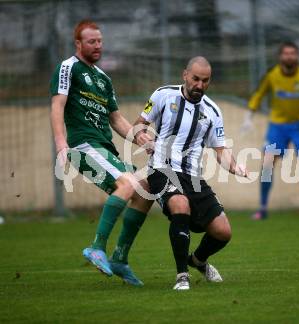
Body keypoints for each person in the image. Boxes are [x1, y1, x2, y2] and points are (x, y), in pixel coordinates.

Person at [50, 20, 153, 286]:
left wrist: (140, 138)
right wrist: (61, 143)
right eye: (92, 41)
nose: (98, 46)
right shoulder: (68, 67)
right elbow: (57, 106)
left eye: (100, 41)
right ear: (78, 44)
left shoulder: (104, 78)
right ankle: (97, 247)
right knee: (128, 183)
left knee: (144, 190)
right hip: (83, 145)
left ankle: (119, 258)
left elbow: (116, 120)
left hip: (104, 148)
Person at [134, 56, 248, 290]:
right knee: (180, 204)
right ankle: (182, 276)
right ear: (185, 75)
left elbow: (220, 150)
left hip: (193, 176)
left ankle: (197, 260)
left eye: (205, 81)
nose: (200, 85)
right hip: (162, 169)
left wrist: (235, 167)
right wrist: (142, 137)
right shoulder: (162, 95)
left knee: (223, 232)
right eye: (195, 79)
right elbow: (139, 124)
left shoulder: (213, 111)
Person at [241, 41, 299, 220]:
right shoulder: (271, 74)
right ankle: (262, 208)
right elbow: (258, 94)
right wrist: (248, 117)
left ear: (297, 56)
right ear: (280, 56)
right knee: (267, 164)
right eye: (286, 53)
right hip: (277, 126)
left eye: (293, 53)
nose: (289, 56)